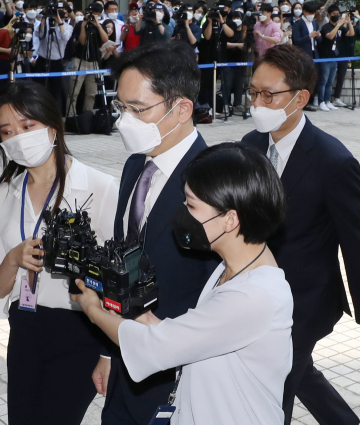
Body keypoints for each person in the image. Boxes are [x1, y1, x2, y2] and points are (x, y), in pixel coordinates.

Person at [73, 143, 292, 425]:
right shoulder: (232, 268)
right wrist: (141, 314)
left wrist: (92, 310)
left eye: (191, 205)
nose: (182, 213)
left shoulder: (253, 296)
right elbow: (185, 335)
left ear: (230, 219)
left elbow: (155, 347)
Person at [98, 41, 219, 425]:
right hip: (124, 364)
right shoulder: (135, 165)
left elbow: (217, 295)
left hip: (179, 375)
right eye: (121, 107)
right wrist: (108, 351)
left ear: (182, 109)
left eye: (137, 109)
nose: (124, 121)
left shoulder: (214, 182)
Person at [0, 81, 118, 425]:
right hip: (26, 326)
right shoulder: (5, 195)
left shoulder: (100, 188)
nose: (18, 137)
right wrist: (13, 259)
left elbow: (118, 278)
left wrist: (109, 353)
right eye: (7, 131)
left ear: (53, 127)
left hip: (81, 330)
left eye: (28, 126)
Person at [241, 43, 360, 425]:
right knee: (299, 372)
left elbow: (356, 242)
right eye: (253, 91)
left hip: (305, 301)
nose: (258, 102)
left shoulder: (333, 161)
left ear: (301, 98)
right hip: (254, 294)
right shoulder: (250, 145)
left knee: (276, 386)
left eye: (269, 94)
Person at [67, 2, 107, 116]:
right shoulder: (80, 24)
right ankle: (71, 116)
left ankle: (87, 116)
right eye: (94, 13)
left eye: (98, 14)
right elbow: (83, 42)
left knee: (91, 93)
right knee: (74, 92)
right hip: (80, 61)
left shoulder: (100, 25)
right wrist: (84, 26)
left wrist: (97, 25)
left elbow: (105, 38)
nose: (95, 16)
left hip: (94, 62)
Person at [316, 6, 355, 112]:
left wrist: (349, 22)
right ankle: (321, 102)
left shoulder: (341, 27)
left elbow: (351, 34)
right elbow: (330, 36)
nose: (336, 15)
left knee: (330, 81)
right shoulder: (326, 27)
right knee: (323, 81)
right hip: (325, 58)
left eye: (337, 13)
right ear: (329, 14)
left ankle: (328, 101)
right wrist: (338, 25)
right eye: (334, 13)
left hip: (335, 58)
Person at [34, 9, 72, 115]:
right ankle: (39, 112)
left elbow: (65, 37)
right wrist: (44, 19)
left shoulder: (68, 27)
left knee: (55, 90)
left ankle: (54, 114)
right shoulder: (45, 23)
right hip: (42, 59)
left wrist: (59, 22)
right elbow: (38, 33)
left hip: (57, 61)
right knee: (39, 87)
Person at [291, 1, 319, 111]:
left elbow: (317, 40)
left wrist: (317, 36)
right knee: (304, 79)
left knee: (313, 78)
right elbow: (296, 41)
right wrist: (309, 36)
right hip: (303, 54)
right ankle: (303, 102)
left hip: (314, 53)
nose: (312, 15)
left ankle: (312, 99)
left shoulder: (315, 23)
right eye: (310, 12)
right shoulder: (298, 24)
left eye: (314, 13)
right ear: (304, 12)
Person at [332, 8, 360, 107]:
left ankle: (337, 98)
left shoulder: (356, 27)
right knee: (329, 78)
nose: (352, 17)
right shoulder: (340, 27)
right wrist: (345, 21)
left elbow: (352, 34)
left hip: (349, 55)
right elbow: (344, 32)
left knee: (341, 77)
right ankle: (326, 98)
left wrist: (357, 19)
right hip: (339, 54)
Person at [224, 10, 245, 113]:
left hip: (241, 61)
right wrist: (236, 45)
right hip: (228, 60)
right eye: (234, 18)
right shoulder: (228, 31)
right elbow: (224, 43)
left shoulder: (244, 32)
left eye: (238, 18)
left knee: (239, 84)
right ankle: (226, 104)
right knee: (227, 84)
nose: (236, 20)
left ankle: (238, 103)